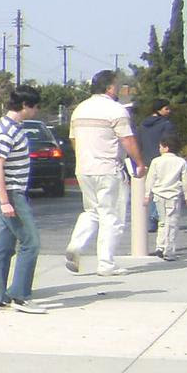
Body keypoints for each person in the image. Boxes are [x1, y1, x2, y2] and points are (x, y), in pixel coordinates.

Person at [63, 71, 142, 276]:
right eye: (116, 85)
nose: (118, 89)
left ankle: (76, 245)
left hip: (84, 168)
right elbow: (128, 140)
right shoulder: (116, 110)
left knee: (91, 211)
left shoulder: (79, 109)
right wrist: (140, 163)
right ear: (109, 88)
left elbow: (74, 140)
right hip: (108, 168)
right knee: (112, 215)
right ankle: (106, 263)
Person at [0, 84, 44, 312]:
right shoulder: (7, 130)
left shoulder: (12, 126)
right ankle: (20, 295)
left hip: (11, 192)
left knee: (4, 244)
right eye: (35, 107)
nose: (36, 111)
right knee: (31, 242)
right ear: (25, 106)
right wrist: (5, 201)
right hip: (10, 192)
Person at [147, 133, 187, 261]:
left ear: (166, 147)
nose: (159, 149)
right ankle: (169, 251)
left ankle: (160, 246)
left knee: (162, 222)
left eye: (160, 146)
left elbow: (150, 179)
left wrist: (147, 194)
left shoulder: (156, 161)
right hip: (173, 195)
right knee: (172, 223)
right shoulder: (181, 162)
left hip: (158, 194)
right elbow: (186, 180)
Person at [136, 97, 175, 233]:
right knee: (162, 190)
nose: (169, 111)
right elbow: (170, 142)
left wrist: (139, 159)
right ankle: (156, 217)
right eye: (166, 108)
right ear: (159, 110)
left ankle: (152, 219)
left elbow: (138, 143)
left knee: (150, 190)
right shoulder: (166, 124)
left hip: (146, 160)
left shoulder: (142, 125)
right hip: (162, 160)